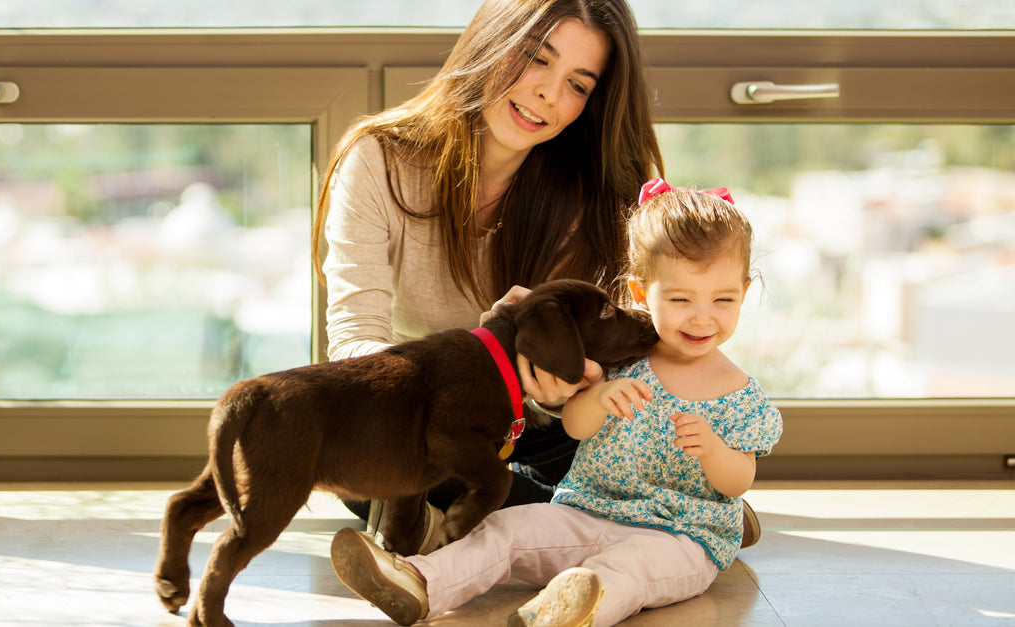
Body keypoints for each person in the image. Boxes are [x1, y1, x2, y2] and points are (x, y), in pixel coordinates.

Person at [329, 180, 785, 627]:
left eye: (723, 300)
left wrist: (713, 451)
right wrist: (600, 396)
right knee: (507, 531)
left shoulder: (740, 393)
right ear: (643, 293)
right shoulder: (624, 357)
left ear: (744, 293)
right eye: (681, 299)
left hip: (681, 539)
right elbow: (575, 427)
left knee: (629, 568)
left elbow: (738, 481)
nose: (703, 316)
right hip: (584, 513)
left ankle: (563, 611)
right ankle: (419, 583)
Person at [313, 0, 674, 554]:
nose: (549, 95)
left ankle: (492, 527)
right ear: (492, 42)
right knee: (365, 462)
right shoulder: (378, 161)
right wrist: (469, 360)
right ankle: (645, 517)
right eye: (535, 59)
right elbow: (353, 344)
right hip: (429, 422)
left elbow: (593, 366)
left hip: (537, 432)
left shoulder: (582, 197)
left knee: (628, 431)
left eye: (577, 85)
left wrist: (561, 387)